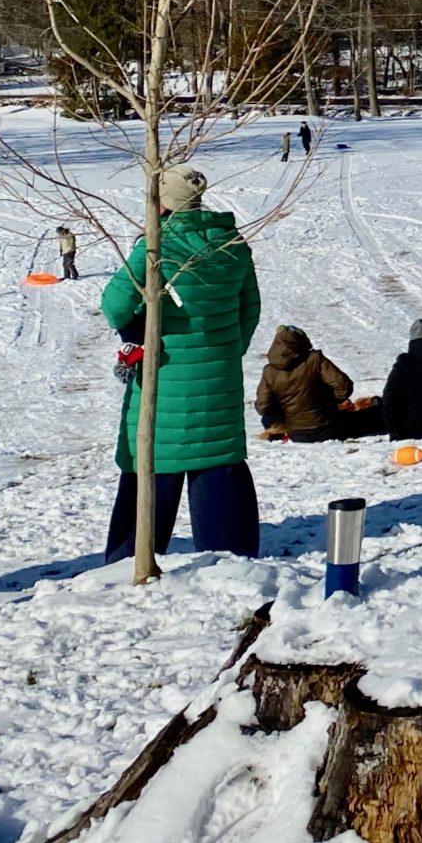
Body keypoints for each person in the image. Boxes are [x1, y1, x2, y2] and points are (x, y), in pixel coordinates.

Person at [100, 167, 263, 564]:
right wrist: (222, 353)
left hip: (165, 378)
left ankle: (130, 563)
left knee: (153, 466)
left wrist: (142, 335)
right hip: (218, 381)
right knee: (218, 461)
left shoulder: (157, 246)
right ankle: (232, 562)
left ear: (159, 203)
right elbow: (249, 311)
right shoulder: (232, 244)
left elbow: (115, 306)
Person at [255, 325, 377, 441]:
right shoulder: (315, 360)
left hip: (296, 434)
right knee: (370, 414)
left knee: (268, 418)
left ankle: (280, 434)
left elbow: (263, 407)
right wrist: (333, 402)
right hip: (327, 428)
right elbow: (343, 387)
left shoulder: (269, 371)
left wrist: (288, 412)